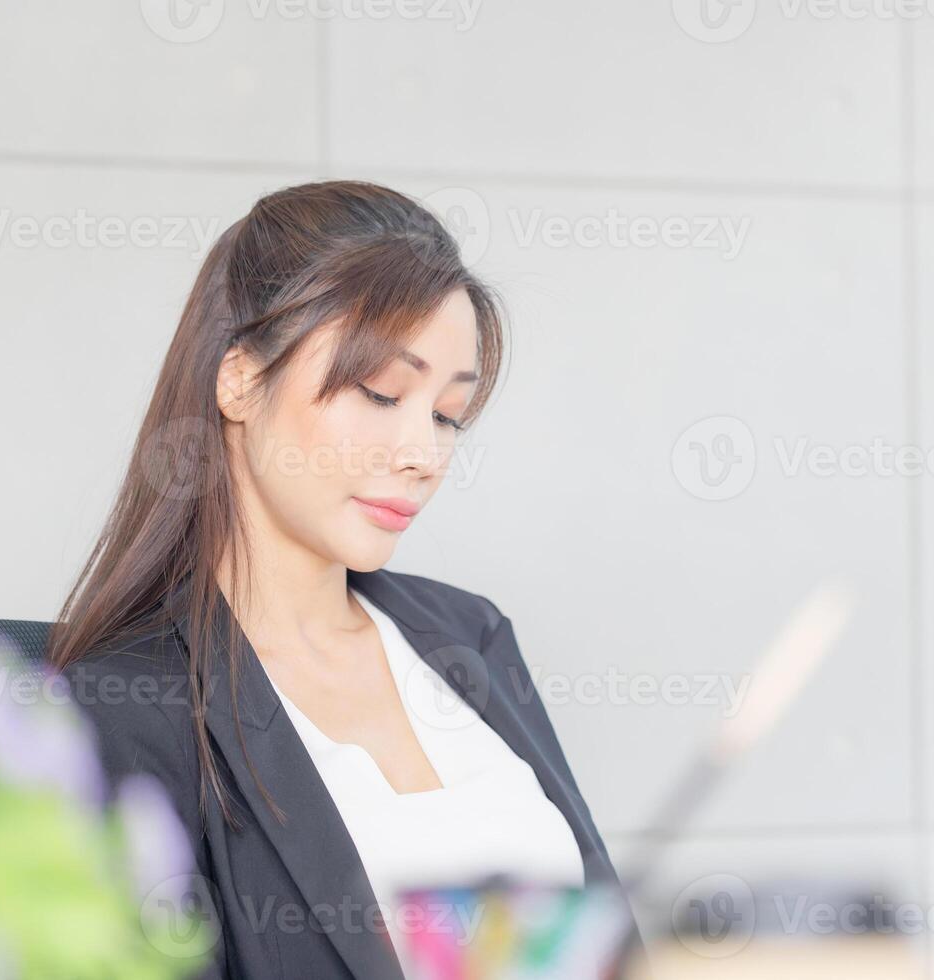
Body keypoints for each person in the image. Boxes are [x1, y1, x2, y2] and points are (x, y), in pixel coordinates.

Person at [48, 181, 638, 978]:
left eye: (446, 415)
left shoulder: (469, 635)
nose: (422, 454)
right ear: (240, 382)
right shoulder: (126, 710)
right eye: (382, 394)